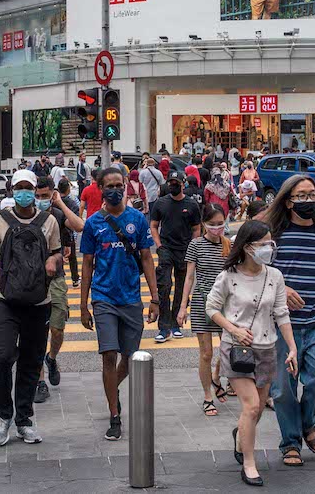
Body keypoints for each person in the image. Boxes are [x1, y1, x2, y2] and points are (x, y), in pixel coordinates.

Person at [0, 169, 60, 446]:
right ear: (12, 190)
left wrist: (53, 263)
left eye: (28, 187)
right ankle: (4, 417)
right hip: (6, 302)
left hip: (39, 303)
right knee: (3, 356)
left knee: (31, 363)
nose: (24, 192)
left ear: (34, 190)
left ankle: (24, 419)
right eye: (19, 187)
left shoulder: (49, 221)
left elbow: (57, 254)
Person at [207, 219, 297, 487]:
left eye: (271, 243)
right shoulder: (229, 276)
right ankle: (249, 463)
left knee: (254, 411)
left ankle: (240, 437)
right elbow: (211, 309)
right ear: (247, 248)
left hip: (267, 347)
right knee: (252, 405)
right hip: (237, 349)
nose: (269, 248)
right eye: (263, 244)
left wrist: (291, 347)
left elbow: (281, 313)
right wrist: (233, 330)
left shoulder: (275, 276)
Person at [261, 175, 315, 466]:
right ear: (287, 200)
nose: (308, 201)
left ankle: (307, 423)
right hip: (281, 325)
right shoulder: (273, 236)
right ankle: (290, 441)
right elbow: (258, 275)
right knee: (282, 388)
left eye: (312, 195)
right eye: (301, 196)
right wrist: (284, 288)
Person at [78, 167, 160, 440]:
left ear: (126, 185)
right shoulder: (93, 223)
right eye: (108, 185)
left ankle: (112, 389)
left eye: (118, 184)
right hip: (103, 298)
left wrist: (155, 299)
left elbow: (147, 258)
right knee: (108, 355)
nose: (114, 189)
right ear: (100, 189)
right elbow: (87, 264)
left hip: (131, 299)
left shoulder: (137, 219)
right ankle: (114, 414)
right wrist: (83, 304)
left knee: (129, 357)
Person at [177, 203, 232, 417]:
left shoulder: (229, 244)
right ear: (203, 224)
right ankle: (208, 396)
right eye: (212, 224)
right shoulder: (196, 245)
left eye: (221, 224)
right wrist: (183, 307)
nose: (217, 228)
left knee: (228, 348)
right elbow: (189, 277)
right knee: (206, 353)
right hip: (202, 302)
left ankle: (217, 378)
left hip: (225, 304)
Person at [34, 176, 84, 403]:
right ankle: (39, 381)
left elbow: (80, 226)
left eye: (45, 196)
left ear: (53, 194)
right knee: (34, 333)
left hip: (56, 279)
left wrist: (60, 204)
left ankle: (51, 358)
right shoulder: (24, 215)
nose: (40, 200)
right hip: (31, 281)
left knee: (57, 329)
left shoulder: (57, 213)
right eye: (38, 196)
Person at [151, 170, 202, 342]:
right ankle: (163, 327)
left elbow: (197, 229)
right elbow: (153, 226)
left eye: (176, 183)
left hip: (185, 250)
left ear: (183, 184)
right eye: (170, 182)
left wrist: (192, 247)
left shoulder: (192, 205)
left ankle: (176, 323)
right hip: (166, 249)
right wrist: (158, 245)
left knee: (182, 287)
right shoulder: (160, 203)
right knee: (164, 286)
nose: (172, 185)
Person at [58, 178, 83, 287]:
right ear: (68, 189)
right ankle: (75, 279)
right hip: (69, 235)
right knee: (72, 258)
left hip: (56, 235)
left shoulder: (54, 201)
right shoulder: (72, 202)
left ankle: (60, 278)